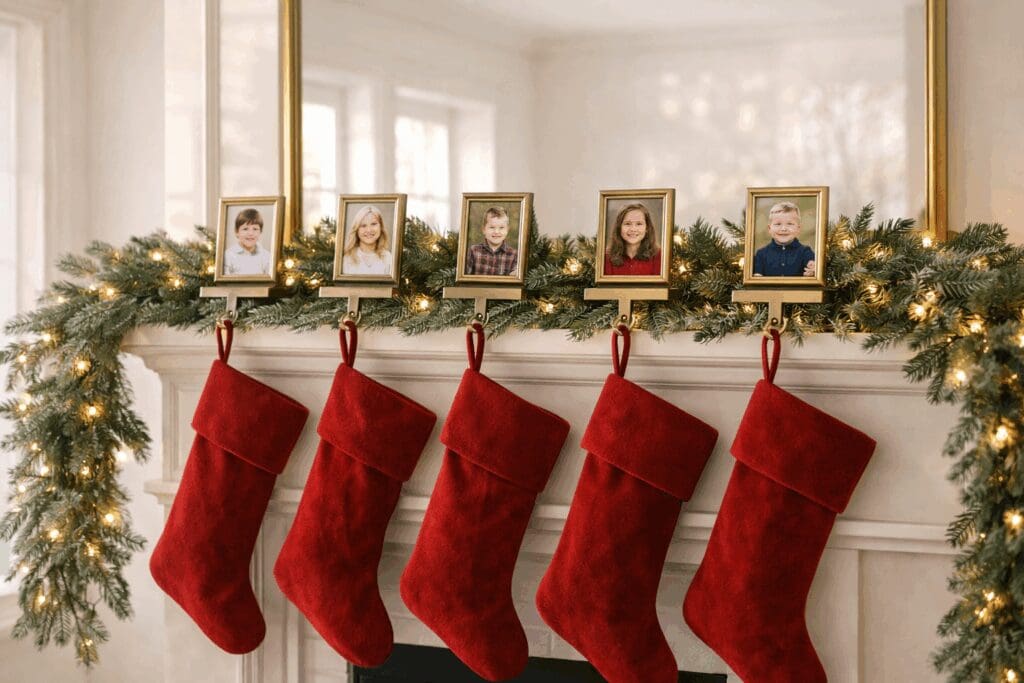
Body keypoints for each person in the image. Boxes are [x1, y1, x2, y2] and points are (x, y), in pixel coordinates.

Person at [752, 201, 816, 277]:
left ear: (798, 228)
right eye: (778, 224)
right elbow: (757, 277)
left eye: (790, 224)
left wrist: (812, 271)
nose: (783, 229)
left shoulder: (805, 252)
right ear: (769, 228)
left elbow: (812, 267)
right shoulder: (761, 254)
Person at [604, 203, 662, 276]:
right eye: (627, 224)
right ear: (619, 227)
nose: (633, 229)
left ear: (647, 228)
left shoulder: (660, 256)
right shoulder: (606, 257)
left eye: (639, 224)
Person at [465, 206, 518, 276]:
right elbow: (464, 279)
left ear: (507, 230)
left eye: (501, 228)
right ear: (484, 229)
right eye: (492, 227)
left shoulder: (514, 255)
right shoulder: (473, 251)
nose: (496, 231)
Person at [342, 205, 392, 275]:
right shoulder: (347, 258)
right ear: (356, 230)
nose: (368, 230)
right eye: (363, 226)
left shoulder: (388, 258)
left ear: (381, 227)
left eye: (373, 224)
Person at [224, 208, 272, 276]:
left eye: (255, 229)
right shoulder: (228, 255)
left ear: (260, 232)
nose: (250, 233)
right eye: (245, 229)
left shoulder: (266, 256)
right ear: (237, 232)